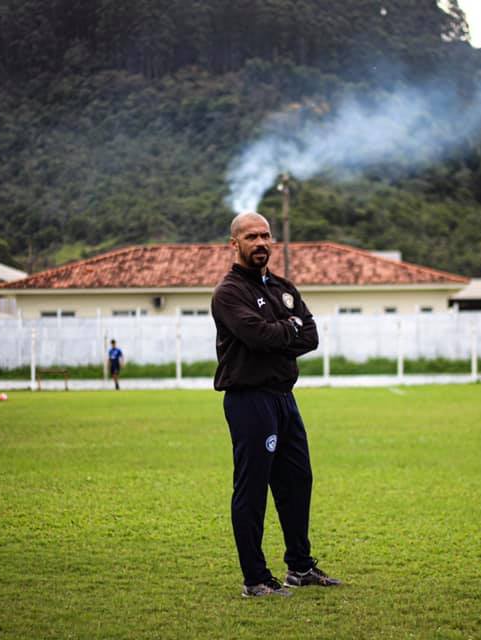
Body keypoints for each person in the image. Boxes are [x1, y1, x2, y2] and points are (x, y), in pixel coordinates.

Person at [211, 211, 341, 598]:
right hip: (250, 400)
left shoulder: (282, 288)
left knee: (298, 481)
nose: (261, 243)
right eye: (252, 237)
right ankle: (255, 578)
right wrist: (289, 329)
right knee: (252, 489)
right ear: (235, 244)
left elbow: (311, 335)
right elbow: (258, 337)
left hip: (285, 398)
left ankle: (300, 567)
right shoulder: (229, 292)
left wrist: (282, 331)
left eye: (266, 236)